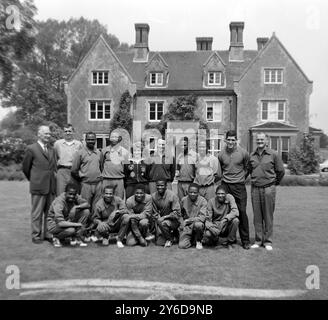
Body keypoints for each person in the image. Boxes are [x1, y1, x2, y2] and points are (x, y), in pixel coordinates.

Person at [248, 132, 285, 251]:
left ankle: (268, 241)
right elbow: (248, 170)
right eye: (258, 140)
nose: (259, 142)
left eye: (262, 140)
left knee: (268, 215)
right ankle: (258, 240)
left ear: (266, 141)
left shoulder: (273, 154)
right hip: (255, 189)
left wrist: (274, 183)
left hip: (269, 188)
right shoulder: (251, 155)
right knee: (257, 216)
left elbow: (280, 171)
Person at [22, 125, 57, 244]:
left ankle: (48, 234)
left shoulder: (52, 149)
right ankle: (36, 235)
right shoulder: (31, 149)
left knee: (49, 213)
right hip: (38, 186)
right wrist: (34, 180)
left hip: (51, 186)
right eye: (46, 134)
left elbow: (53, 167)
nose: (48, 136)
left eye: (49, 134)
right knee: (37, 213)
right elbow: (26, 168)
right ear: (39, 134)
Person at [218, 130, 251, 250]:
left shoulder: (243, 153)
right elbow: (221, 169)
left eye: (233, 140)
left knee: (241, 212)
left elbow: (248, 167)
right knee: (226, 213)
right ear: (225, 140)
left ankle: (245, 241)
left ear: (236, 140)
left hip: (239, 186)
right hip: (226, 185)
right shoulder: (221, 154)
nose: (231, 142)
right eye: (229, 140)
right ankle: (228, 239)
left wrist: (241, 178)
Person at [47, 183, 90, 247]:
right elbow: (60, 223)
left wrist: (76, 207)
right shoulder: (59, 202)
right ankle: (56, 237)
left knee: (86, 211)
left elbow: (87, 204)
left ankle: (76, 237)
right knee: (71, 230)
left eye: (74, 194)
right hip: (54, 224)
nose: (72, 196)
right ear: (65, 192)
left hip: (66, 219)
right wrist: (78, 225)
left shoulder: (75, 196)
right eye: (70, 194)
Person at [71, 132, 103, 213]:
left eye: (92, 139)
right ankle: (84, 224)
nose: (91, 141)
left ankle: (94, 224)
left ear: (95, 140)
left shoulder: (99, 153)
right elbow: (74, 170)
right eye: (88, 139)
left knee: (96, 207)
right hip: (86, 185)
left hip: (98, 184)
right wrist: (82, 179)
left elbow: (101, 167)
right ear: (85, 140)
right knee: (85, 206)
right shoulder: (80, 153)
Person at [203, 185, 239, 249]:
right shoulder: (211, 201)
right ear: (215, 194)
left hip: (226, 224)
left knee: (235, 220)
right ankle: (215, 240)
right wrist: (212, 228)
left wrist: (225, 219)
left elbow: (235, 211)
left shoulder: (230, 197)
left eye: (222, 194)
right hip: (216, 225)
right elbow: (208, 219)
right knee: (208, 234)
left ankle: (230, 242)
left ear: (226, 194)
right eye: (218, 194)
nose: (220, 195)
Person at [54, 124, 82, 195]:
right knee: (60, 193)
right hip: (62, 171)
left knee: (74, 193)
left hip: (74, 172)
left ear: (73, 132)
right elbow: (54, 158)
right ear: (63, 132)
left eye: (69, 131)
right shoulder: (57, 144)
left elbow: (81, 159)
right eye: (65, 131)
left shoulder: (79, 144)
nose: (67, 133)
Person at [152, 179, 181, 247]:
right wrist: (158, 218)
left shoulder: (172, 196)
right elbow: (154, 212)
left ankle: (170, 239)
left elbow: (177, 213)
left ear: (166, 186)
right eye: (158, 185)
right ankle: (169, 234)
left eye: (162, 185)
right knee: (159, 243)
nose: (159, 187)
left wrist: (164, 217)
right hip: (162, 220)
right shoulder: (153, 196)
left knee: (164, 223)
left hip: (174, 220)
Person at [178, 183, 207, 250]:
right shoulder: (183, 200)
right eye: (190, 192)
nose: (192, 194)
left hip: (197, 225)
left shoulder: (203, 201)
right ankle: (192, 239)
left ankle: (198, 241)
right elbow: (179, 214)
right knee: (182, 246)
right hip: (187, 226)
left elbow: (202, 217)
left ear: (198, 193)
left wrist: (188, 220)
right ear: (187, 192)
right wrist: (181, 222)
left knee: (198, 225)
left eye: (195, 192)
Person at [102, 131, 130, 199]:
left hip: (119, 179)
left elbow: (126, 168)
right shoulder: (104, 150)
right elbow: (101, 164)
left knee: (119, 200)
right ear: (109, 138)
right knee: (105, 199)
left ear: (119, 138)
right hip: (106, 179)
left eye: (115, 137)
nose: (114, 139)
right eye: (112, 137)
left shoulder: (125, 152)